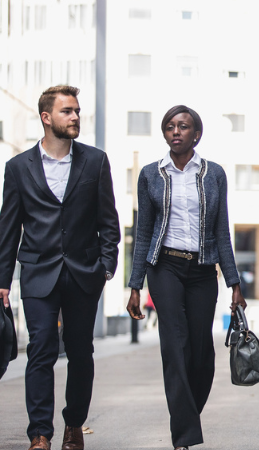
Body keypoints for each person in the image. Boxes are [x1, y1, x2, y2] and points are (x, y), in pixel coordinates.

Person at [0, 85, 120, 450]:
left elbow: (108, 221)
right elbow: (8, 228)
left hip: (84, 273)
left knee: (81, 352)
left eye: (78, 111)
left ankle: (74, 426)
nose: (75, 117)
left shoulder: (95, 161)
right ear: (46, 117)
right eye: (68, 111)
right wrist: (2, 281)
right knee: (41, 349)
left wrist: (106, 267)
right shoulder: (18, 167)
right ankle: (40, 433)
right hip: (38, 272)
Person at [126, 105, 245, 450]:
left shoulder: (214, 174)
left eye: (183, 126)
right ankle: (185, 437)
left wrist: (234, 283)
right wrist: (135, 285)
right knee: (175, 347)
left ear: (196, 134)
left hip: (203, 270)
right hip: (163, 267)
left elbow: (222, 231)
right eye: (169, 127)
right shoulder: (151, 174)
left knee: (202, 355)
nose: (175, 131)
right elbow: (143, 232)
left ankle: (186, 417)